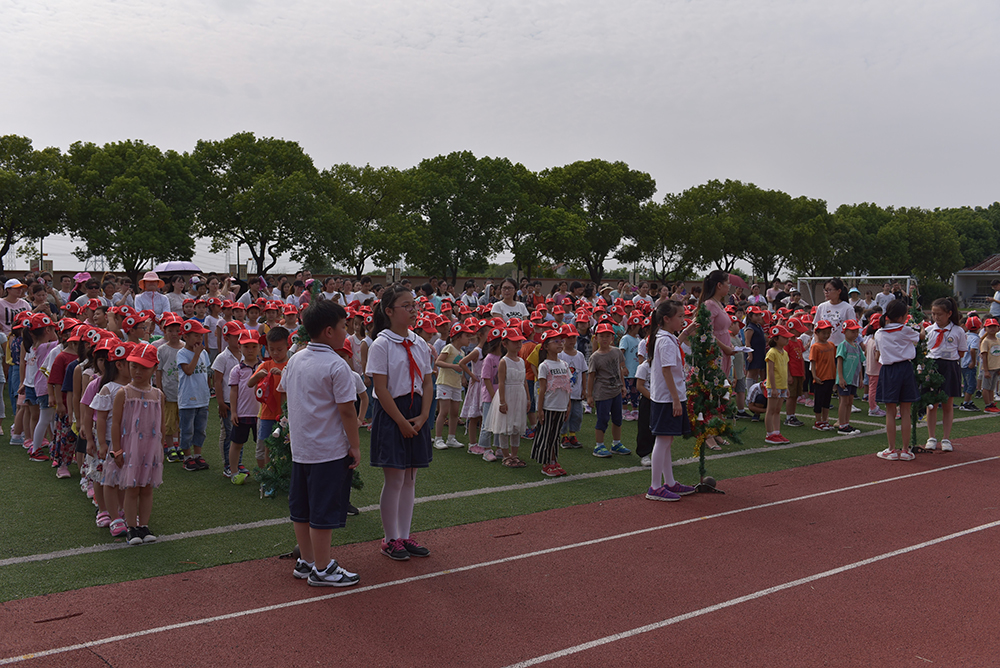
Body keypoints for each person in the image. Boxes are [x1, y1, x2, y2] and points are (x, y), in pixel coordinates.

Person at [276, 299, 361, 587]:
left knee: (302, 508)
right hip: (327, 450)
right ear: (328, 331)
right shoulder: (336, 365)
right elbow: (347, 410)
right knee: (323, 510)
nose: (345, 332)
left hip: (301, 449)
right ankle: (323, 568)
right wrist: (355, 445)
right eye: (342, 327)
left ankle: (307, 560)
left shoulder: (296, 358)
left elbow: (286, 392)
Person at [367, 286, 434, 562]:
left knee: (410, 478)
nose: (413, 310)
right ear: (389, 311)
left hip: (417, 411)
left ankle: (404, 536)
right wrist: (401, 422)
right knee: (394, 479)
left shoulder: (419, 343)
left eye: (414, 305)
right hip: (392, 413)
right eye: (406, 306)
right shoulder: (381, 344)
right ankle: (389, 539)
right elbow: (381, 389)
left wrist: (423, 416)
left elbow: (428, 382)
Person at [111, 343, 165, 545]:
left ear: (154, 369)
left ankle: (144, 525)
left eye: (144, 367)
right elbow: (115, 423)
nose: (138, 371)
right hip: (130, 448)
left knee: (147, 488)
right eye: (134, 366)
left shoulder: (158, 395)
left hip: (150, 449)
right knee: (132, 488)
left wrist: (161, 446)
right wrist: (116, 449)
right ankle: (131, 528)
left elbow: (160, 424)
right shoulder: (123, 393)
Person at [645, 300, 696, 501]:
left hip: (668, 396)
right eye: (680, 316)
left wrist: (687, 331)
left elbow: (676, 342)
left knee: (667, 439)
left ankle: (670, 482)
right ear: (666, 319)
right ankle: (655, 486)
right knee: (663, 439)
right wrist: (676, 399)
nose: (683, 319)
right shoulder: (665, 340)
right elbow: (666, 370)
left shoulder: (666, 337)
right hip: (667, 398)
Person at [874, 299, 921, 461]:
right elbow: (920, 337)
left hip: (888, 370)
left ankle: (892, 449)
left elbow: (878, 351)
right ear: (902, 316)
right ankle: (906, 450)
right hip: (905, 369)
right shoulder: (906, 330)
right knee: (906, 411)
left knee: (890, 411)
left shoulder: (879, 333)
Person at [924, 297, 966, 452]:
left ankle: (946, 438)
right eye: (933, 314)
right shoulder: (928, 330)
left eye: (939, 314)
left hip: (950, 366)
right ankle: (931, 437)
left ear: (949, 313)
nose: (936, 317)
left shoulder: (958, 330)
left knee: (948, 403)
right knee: (932, 403)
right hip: (932, 366)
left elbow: (961, 351)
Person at [484, 328, 530, 468]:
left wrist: (528, 398)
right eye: (514, 342)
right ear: (505, 344)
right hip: (508, 394)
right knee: (505, 426)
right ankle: (505, 455)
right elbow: (501, 382)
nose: (518, 344)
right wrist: (502, 401)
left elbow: (524, 381)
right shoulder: (504, 361)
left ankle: (514, 455)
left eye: (519, 341)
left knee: (516, 425)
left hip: (519, 394)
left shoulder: (521, 361)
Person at [587, 322, 631, 458]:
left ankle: (616, 443)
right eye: (602, 336)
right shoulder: (595, 357)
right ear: (596, 338)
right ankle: (599, 445)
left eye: (608, 336)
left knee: (618, 419)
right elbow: (591, 377)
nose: (605, 339)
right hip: (602, 393)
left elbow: (619, 370)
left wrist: (623, 385)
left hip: (616, 391)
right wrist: (589, 395)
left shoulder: (616, 352)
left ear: (612, 338)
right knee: (603, 419)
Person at [529, 329, 568, 475]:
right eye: (556, 341)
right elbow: (542, 389)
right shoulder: (544, 365)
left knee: (555, 435)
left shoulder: (564, 364)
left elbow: (566, 386)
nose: (560, 344)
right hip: (549, 406)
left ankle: (554, 460)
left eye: (561, 341)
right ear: (546, 346)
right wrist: (540, 409)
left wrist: (568, 404)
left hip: (561, 406)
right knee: (546, 435)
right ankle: (546, 464)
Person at [177, 319, 212, 471]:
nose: (199, 339)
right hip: (188, 399)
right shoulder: (182, 353)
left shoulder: (203, 353)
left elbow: (207, 372)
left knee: (200, 429)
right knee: (187, 429)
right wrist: (196, 354)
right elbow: (189, 371)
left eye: (201, 336)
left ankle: (197, 455)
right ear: (186, 337)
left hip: (202, 398)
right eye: (196, 336)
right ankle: (187, 457)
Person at [433, 322, 474, 450]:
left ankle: (451, 438)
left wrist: (463, 377)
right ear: (457, 337)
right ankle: (438, 438)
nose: (469, 339)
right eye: (466, 336)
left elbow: (461, 368)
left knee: (455, 413)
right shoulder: (449, 348)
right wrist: (452, 366)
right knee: (443, 411)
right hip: (445, 383)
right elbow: (438, 362)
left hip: (455, 384)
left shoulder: (461, 352)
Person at [228, 330, 261, 485]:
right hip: (242, 413)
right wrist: (234, 411)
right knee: (237, 443)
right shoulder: (237, 370)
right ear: (240, 347)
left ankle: (266, 474)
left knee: (263, 445)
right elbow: (233, 391)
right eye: (246, 346)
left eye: (253, 346)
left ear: (259, 347)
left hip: (261, 414)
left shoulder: (264, 367)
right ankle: (233, 472)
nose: (250, 350)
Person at [212, 321, 244, 476]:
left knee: (239, 433)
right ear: (226, 337)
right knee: (228, 433)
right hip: (226, 401)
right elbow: (217, 381)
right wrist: (220, 403)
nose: (239, 338)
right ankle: (228, 465)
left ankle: (238, 463)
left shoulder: (244, 354)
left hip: (241, 401)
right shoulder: (222, 357)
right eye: (236, 336)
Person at [154, 314, 185, 463]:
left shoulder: (185, 347)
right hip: (169, 391)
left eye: (177, 330)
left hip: (183, 392)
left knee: (181, 421)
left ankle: (178, 445)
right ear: (164, 331)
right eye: (170, 330)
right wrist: (160, 390)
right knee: (168, 421)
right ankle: (170, 447)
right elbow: (158, 371)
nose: (174, 334)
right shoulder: (162, 349)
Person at [559, 325, 587, 449]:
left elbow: (584, 372)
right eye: (568, 337)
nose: (571, 340)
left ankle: (572, 434)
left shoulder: (579, 355)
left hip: (576, 392)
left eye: (574, 337)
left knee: (577, 415)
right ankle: (563, 435)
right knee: (565, 415)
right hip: (564, 393)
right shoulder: (560, 355)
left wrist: (584, 389)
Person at [835, 320, 865, 436]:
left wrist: (861, 378)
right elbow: (839, 361)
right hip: (845, 379)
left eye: (857, 331)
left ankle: (846, 423)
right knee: (844, 400)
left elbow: (860, 363)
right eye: (852, 331)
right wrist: (841, 378)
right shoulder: (843, 345)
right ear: (845, 331)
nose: (855, 334)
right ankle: (842, 424)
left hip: (854, 379)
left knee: (850, 401)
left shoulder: (857, 346)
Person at [764, 325, 792, 444]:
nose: (787, 340)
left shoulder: (784, 353)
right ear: (776, 339)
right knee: (771, 409)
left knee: (777, 410)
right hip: (774, 386)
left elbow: (784, 370)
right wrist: (773, 387)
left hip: (782, 386)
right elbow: (770, 371)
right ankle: (769, 434)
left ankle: (777, 432)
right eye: (784, 337)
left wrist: (786, 387)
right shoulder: (772, 352)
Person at [810, 320, 837, 431]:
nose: (826, 335)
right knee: (819, 400)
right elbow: (813, 362)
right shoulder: (815, 347)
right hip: (820, 377)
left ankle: (825, 420)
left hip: (830, 377)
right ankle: (818, 421)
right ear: (817, 333)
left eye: (828, 332)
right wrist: (815, 376)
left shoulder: (831, 345)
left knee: (827, 401)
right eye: (823, 333)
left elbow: (833, 361)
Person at [815, 278, 855, 346]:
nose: (826, 292)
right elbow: (815, 328)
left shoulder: (848, 308)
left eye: (829, 290)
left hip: (841, 346)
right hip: (824, 346)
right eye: (825, 290)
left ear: (839, 291)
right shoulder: (821, 307)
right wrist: (818, 343)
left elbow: (852, 329)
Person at [783, 318, 806, 427]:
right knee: (791, 396)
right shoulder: (787, 343)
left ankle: (792, 415)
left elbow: (801, 356)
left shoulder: (799, 341)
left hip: (799, 372)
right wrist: (788, 375)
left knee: (796, 396)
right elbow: (786, 360)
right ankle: (788, 417)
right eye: (797, 330)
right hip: (792, 372)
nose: (800, 332)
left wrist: (803, 373)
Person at [862, 315, 886, 417]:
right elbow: (877, 357)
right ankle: (872, 408)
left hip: (870, 368)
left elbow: (867, 354)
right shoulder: (876, 342)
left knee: (873, 388)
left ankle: (874, 406)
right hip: (875, 369)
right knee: (873, 389)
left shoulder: (869, 341)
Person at [980, 318, 1000, 412]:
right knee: (986, 387)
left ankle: (991, 403)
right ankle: (987, 405)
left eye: (994, 326)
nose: (992, 328)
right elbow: (984, 356)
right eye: (989, 327)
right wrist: (986, 370)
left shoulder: (998, 340)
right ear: (985, 328)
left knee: (992, 387)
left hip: (996, 367)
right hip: (989, 367)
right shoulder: (986, 341)